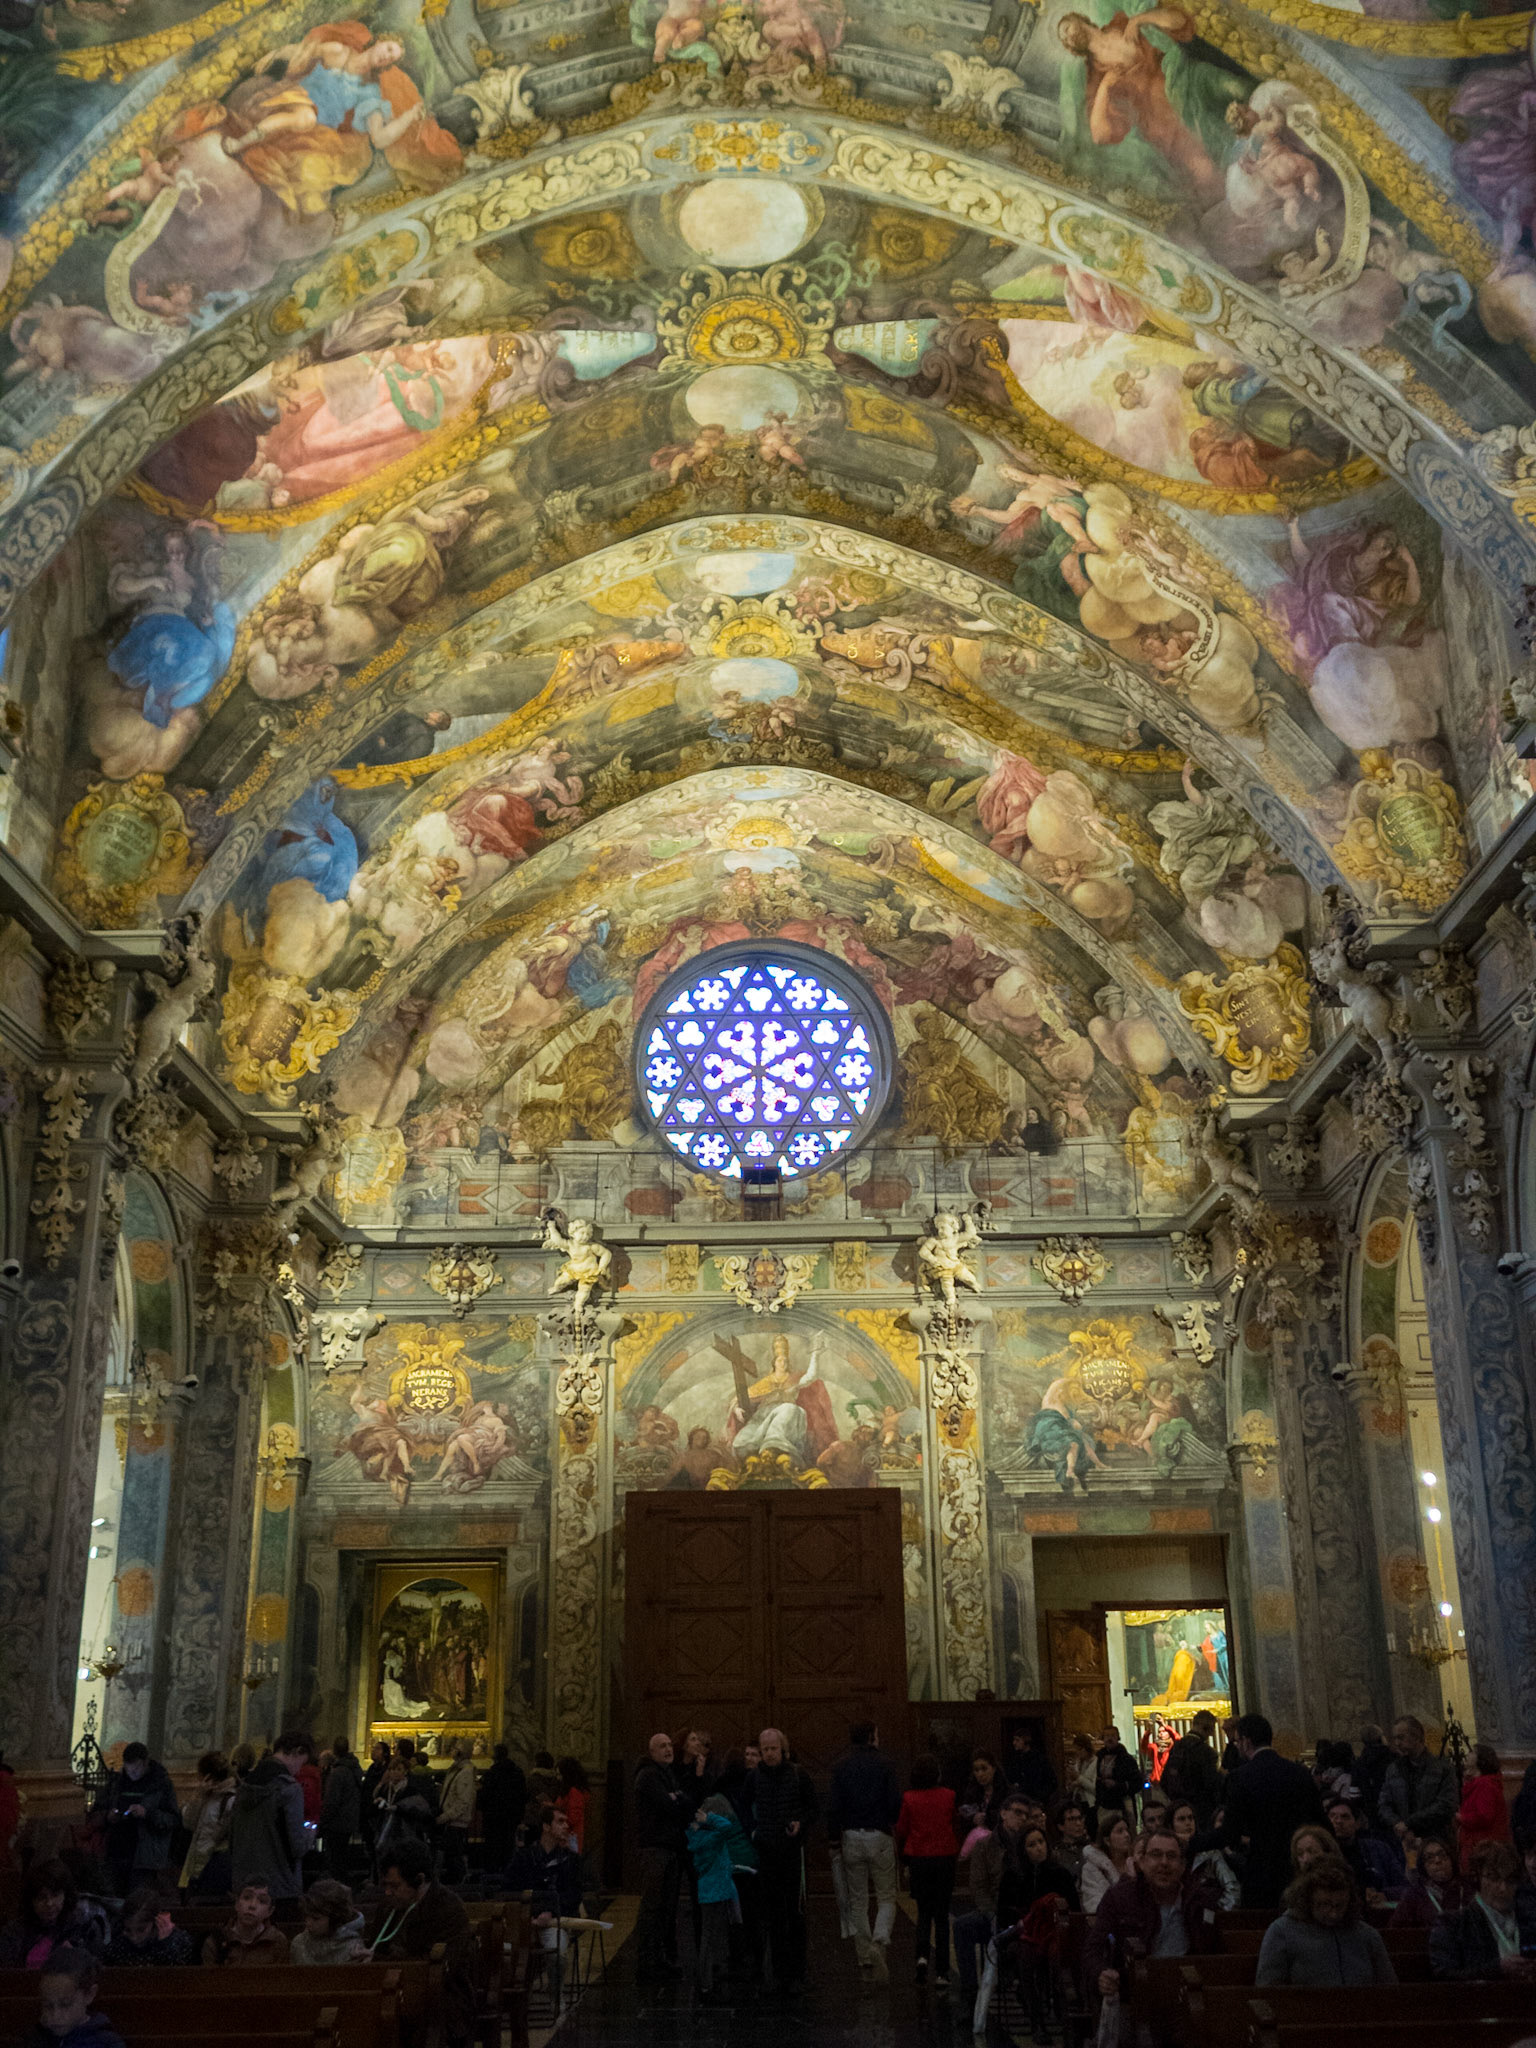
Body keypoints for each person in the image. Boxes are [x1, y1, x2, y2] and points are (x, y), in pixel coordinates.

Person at [1084, 1825, 1220, 2042]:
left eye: (1171, 1856)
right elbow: (1092, 1948)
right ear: (1142, 1862)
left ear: (1183, 1865)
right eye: (1156, 1855)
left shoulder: (1200, 1901)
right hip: (1134, 1995)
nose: (1164, 1863)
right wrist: (1101, 1973)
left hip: (1185, 1994)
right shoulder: (1120, 1898)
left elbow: (1214, 1954)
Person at [979, 1825, 1081, 2047]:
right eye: (1032, 1845)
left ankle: (1065, 2018)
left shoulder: (1059, 1874)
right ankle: (1037, 2022)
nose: (1038, 1848)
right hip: (1023, 1933)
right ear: (1023, 1850)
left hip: (1054, 1932)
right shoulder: (1014, 1877)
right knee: (1026, 1957)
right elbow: (1004, 1912)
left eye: (1041, 1842)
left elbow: (1073, 1909)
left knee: (1057, 1958)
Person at [371, 1841, 476, 2047]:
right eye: (386, 1885)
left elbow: (440, 1970)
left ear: (419, 1880)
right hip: (393, 1992)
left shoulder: (448, 1908)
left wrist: (383, 1961)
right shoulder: (389, 1906)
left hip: (442, 1998)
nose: (388, 1893)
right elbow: (378, 1948)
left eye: (395, 1886)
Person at [1219, 1712, 1325, 1907]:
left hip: (1262, 1871)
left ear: (1246, 1741)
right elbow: (1319, 1821)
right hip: (1298, 1868)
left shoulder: (1240, 1777)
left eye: (1237, 1741)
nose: (1236, 1746)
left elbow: (1229, 1831)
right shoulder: (1299, 1773)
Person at [826, 1720, 900, 1983]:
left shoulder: (841, 1766)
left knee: (858, 1900)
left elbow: (833, 1806)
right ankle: (880, 1940)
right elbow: (894, 1803)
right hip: (879, 1833)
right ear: (872, 1737)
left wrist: (834, 1839)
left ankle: (864, 1955)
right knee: (887, 1896)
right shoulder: (886, 1764)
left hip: (850, 1836)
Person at [751, 1727, 817, 1996]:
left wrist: (800, 1824)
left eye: (773, 1748)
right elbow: (743, 1806)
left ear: (783, 1749)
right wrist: (753, 1830)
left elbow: (813, 1808)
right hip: (767, 1853)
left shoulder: (798, 1775)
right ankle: (779, 1972)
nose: (768, 1754)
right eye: (764, 1749)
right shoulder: (754, 1777)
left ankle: (798, 1972)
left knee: (796, 1914)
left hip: (791, 1852)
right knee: (774, 1915)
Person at [1256, 1863, 1397, 1986]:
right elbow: (1269, 1990)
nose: (1333, 1914)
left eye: (1340, 1905)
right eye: (1324, 1905)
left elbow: (1388, 1988)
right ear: (1307, 1900)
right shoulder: (1282, 1932)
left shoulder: (1366, 1935)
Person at [954, 1794, 1032, 2000]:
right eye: (1017, 1812)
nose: (1022, 1818)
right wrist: (990, 1913)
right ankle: (970, 1990)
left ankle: (1016, 1978)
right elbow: (978, 1886)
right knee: (963, 1926)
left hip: (1024, 1911)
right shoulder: (985, 1845)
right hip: (994, 1908)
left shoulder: (1031, 1843)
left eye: (1025, 1814)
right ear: (1003, 1813)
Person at [1429, 1840, 1536, 1979]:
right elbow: (1444, 1978)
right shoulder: (1453, 1924)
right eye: (1494, 1878)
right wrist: (1496, 1969)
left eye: (1510, 1880)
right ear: (1477, 1879)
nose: (1502, 1888)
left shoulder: (1529, 1918)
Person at [895, 1753, 956, 1987]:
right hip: (944, 1858)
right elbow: (954, 1823)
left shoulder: (909, 1798)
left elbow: (902, 1829)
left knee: (923, 1913)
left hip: (919, 1858)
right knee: (942, 1916)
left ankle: (921, 1958)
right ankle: (942, 1971)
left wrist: (904, 1856)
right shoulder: (949, 1796)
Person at [634, 1731, 691, 1981]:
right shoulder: (648, 1776)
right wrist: (675, 1799)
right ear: (652, 1752)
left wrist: (677, 1798)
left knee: (667, 1908)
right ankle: (647, 1960)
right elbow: (669, 1806)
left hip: (670, 1847)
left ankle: (661, 1958)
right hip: (655, 1847)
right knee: (653, 1906)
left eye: (669, 1745)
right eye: (662, 1746)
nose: (668, 1749)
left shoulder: (667, 1774)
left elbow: (685, 1803)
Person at [91, 1743, 179, 1900]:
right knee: (114, 1898)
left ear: (146, 1763)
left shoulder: (160, 1784)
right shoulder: (116, 1783)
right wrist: (108, 1816)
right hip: (115, 1853)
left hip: (144, 1858)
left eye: (136, 1769)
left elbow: (173, 1819)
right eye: (128, 1769)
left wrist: (147, 1813)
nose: (132, 1773)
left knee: (137, 1901)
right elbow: (96, 1811)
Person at [228, 1731, 308, 1900]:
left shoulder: (245, 1786)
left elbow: (232, 1834)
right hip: (279, 1884)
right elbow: (297, 1846)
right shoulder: (289, 1789)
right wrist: (309, 1835)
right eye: (302, 1763)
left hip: (244, 1883)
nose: (299, 1770)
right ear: (297, 1752)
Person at [0, 1862, 110, 1967]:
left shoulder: (85, 1927)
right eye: (41, 1897)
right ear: (31, 1901)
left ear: (65, 1895)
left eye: (55, 1895)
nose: (49, 1903)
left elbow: (96, 1970)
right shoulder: (14, 1932)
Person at [1378, 1715, 1458, 1851]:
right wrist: (1397, 1823)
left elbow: (1446, 1805)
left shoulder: (1442, 1769)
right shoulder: (1393, 1770)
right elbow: (1384, 1804)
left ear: (1416, 1737)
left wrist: (1409, 1823)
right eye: (1395, 1738)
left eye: (1401, 1737)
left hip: (1435, 1839)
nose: (1397, 1743)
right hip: (1405, 1841)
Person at [17, 1947, 124, 2048]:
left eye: (65, 2005)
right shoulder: (35, 2040)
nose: (56, 2015)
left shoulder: (107, 2042)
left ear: (89, 1995)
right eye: (48, 2005)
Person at [686, 1801, 737, 2004]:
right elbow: (727, 1826)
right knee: (712, 1936)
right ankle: (707, 1982)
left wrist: (700, 1822)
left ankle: (706, 1980)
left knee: (708, 1935)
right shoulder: (713, 1838)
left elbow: (691, 1830)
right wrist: (710, 1819)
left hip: (706, 1892)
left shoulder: (696, 1837)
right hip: (717, 1892)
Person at [178, 1753, 236, 1897]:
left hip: (215, 1865)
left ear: (208, 1777)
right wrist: (198, 1796)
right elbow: (188, 1822)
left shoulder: (231, 1800)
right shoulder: (205, 1796)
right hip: (196, 1864)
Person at [1325, 1796, 1402, 1903]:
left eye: (1345, 1817)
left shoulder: (1379, 1849)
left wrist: (1385, 1894)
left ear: (1357, 1824)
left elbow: (1404, 1886)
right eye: (1332, 1816)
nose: (1338, 1821)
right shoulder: (1321, 1854)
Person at [1168, 1799, 1240, 1908]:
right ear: (1171, 1824)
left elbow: (1233, 1888)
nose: (1188, 1823)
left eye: (1191, 1818)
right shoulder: (1166, 1855)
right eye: (1181, 1819)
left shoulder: (1210, 1854)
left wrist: (1215, 1916)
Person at [201, 1880, 290, 1966]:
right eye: (247, 1898)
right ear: (236, 1904)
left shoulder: (277, 1941)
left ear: (270, 1911)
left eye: (262, 1901)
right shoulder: (216, 1940)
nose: (252, 1905)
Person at [1160, 1710, 1222, 1830]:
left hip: (1177, 1807)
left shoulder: (1177, 1747)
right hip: (1202, 1810)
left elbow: (1164, 1781)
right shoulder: (1207, 1752)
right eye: (1212, 1729)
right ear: (1207, 1728)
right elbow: (1212, 1784)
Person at [101, 1891, 194, 1967]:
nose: (134, 1937)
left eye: (141, 1930)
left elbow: (178, 1976)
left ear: (155, 1923)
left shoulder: (179, 1941)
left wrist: (165, 1945)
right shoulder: (119, 1946)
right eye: (128, 1930)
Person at [1394, 1834, 1469, 1926]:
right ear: (1423, 1866)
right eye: (1429, 1858)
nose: (1437, 1860)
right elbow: (1396, 1933)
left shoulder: (1467, 1889)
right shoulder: (1413, 1896)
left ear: (1452, 1860)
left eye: (1442, 1855)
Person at [290, 1878, 368, 1965]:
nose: (308, 1923)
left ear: (334, 1918)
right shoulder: (299, 1944)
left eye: (316, 1919)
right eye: (306, 1916)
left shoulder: (353, 1947)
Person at [1459, 1744, 1512, 1865]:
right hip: (1478, 1844)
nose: (1467, 1754)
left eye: (1472, 1752)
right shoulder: (1479, 1783)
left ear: (1480, 1759)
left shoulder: (1485, 1785)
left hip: (1485, 1847)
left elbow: (1484, 1816)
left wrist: (1461, 1818)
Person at [477, 1745, 527, 1871]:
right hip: (511, 1817)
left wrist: (482, 1807)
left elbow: (484, 1796)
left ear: (494, 1757)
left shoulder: (491, 1774)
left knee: (493, 1849)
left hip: (493, 1818)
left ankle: (492, 1877)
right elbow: (522, 1795)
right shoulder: (517, 1773)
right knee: (508, 1847)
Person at [319, 1737, 363, 1881]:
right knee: (342, 1858)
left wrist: (323, 1821)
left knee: (335, 1861)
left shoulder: (339, 1772)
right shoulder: (355, 1768)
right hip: (349, 1820)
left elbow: (332, 1801)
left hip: (336, 1823)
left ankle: (335, 1891)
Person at [437, 1742, 478, 1884]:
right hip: (451, 1821)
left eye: (454, 1749)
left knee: (455, 1859)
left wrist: (446, 1816)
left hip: (456, 1823)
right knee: (450, 1858)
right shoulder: (457, 1769)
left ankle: (457, 1885)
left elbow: (463, 1801)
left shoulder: (465, 1772)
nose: (451, 1751)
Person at [1081, 1811, 1133, 1914]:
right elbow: (1094, 1903)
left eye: (1127, 1830)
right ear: (1107, 1840)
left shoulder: (1134, 1863)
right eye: (1120, 1831)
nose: (1127, 1835)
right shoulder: (1092, 1868)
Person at [1094, 1725, 1142, 1826]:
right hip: (1104, 1803)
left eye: (1112, 1735)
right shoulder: (1098, 1757)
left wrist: (1118, 1785)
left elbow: (1137, 1783)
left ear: (1118, 1738)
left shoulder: (1127, 1759)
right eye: (1107, 1736)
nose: (1109, 1738)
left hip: (1122, 1803)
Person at [957, 1751, 1006, 1836]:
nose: (980, 1774)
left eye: (984, 1769)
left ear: (993, 1768)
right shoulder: (971, 1793)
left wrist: (988, 1818)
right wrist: (973, 1819)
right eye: (976, 1770)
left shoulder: (1005, 1791)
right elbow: (962, 1820)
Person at [1005, 1727, 1058, 1806]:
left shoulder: (1039, 1759)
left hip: (1036, 1801)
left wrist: (1041, 1796)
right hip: (1021, 1801)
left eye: (1017, 1740)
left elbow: (1052, 1781)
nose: (1014, 1743)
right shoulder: (1016, 1760)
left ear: (1025, 1741)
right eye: (1014, 1740)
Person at [1353, 1722, 1392, 1822]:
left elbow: (1354, 1792)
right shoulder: (1392, 1758)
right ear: (1381, 1737)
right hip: (1392, 1810)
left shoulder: (1359, 1762)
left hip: (1369, 1811)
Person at [555, 1757, 590, 1854]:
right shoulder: (571, 1791)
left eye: (559, 1774)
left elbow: (573, 1818)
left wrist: (557, 1817)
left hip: (570, 1836)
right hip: (569, 1835)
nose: (558, 1778)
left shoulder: (574, 1792)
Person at [1053, 1802, 1090, 1883]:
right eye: (1071, 1819)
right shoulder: (1056, 1854)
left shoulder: (1091, 1847)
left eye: (1080, 1818)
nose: (1078, 1823)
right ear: (1061, 1826)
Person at [1068, 1732, 1098, 1816]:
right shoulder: (1079, 1762)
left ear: (1086, 1748)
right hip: (1078, 1801)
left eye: (1080, 1749)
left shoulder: (1096, 1763)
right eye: (1076, 1750)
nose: (1078, 1752)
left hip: (1091, 1804)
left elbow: (1095, 1788)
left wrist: (1079, 1778)